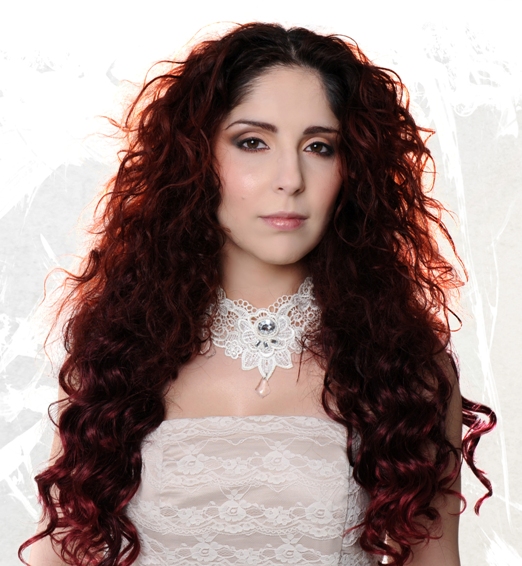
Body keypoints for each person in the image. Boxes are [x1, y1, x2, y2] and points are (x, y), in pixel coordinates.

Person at [19, 22, 495, 566]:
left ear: (352, 170)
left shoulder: (406, 367)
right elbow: (58, 553)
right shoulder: (118, 354)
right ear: (197, 157)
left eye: (319, 147)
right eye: (253, 142)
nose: (290, 178)